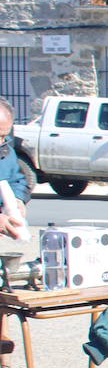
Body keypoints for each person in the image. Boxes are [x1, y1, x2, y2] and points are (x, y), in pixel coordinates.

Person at [0, 98, 31, 259]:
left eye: (3, 136)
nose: (1, 142)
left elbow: (18, 181)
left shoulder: (5, 153)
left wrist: (18, 200)